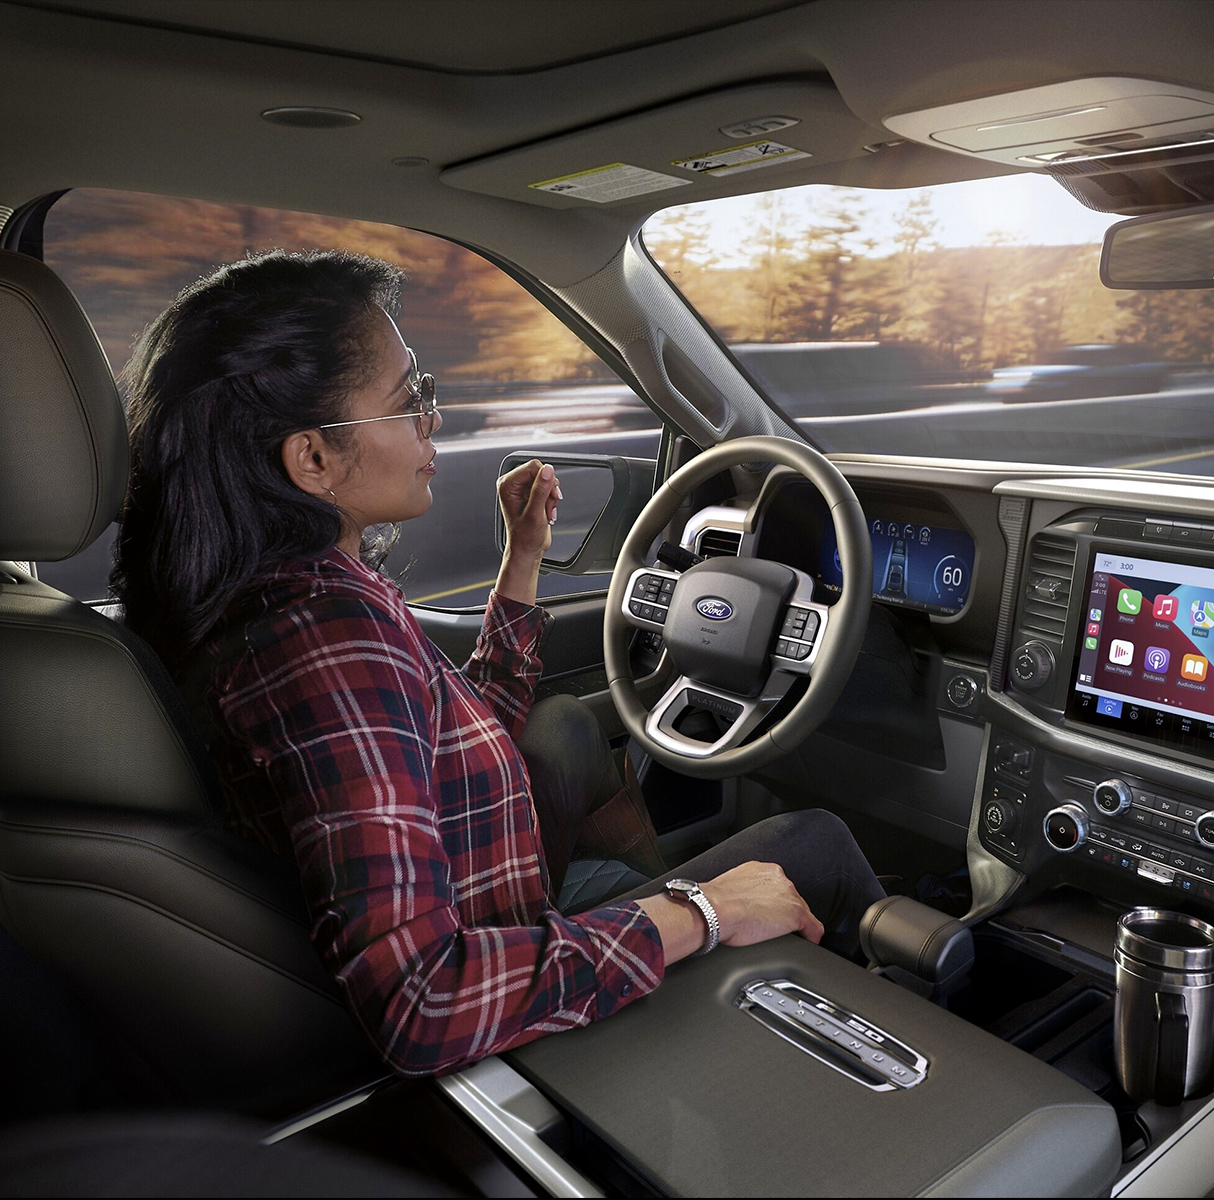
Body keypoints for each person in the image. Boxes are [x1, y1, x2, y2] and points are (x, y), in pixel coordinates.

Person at [111, 249, 886, 1076]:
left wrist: (523, 562)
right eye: (410, 401)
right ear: (313, 461)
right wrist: (703, 912)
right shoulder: (325, 638)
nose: (432, 421)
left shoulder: (272, 592)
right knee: (816, 842)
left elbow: (438, 736)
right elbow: (424, 1002)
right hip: (504, 1003)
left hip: (504, 920)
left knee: (558, 728)